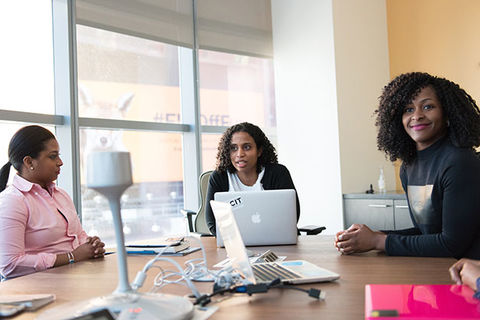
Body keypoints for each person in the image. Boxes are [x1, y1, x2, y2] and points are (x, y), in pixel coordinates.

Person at [334, 72, 480, 258]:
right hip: (439, 269)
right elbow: (427, 233)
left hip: (468, 277)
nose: (417, 116)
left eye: (428, 106)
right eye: (408, 109)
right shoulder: (409, 166)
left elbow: (451, 244)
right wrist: (372, 236)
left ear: (447, 113)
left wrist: (378, 241)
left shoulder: (460, 162)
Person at [0, 125, 105, 279]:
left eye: (58, 155)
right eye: (52, 156)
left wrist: (91, 245)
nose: (60, 162)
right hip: (39, 286)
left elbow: (78, 235)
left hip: (74, 278)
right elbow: (9, 264)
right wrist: (72, 256)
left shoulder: (61, 195)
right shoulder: (12, 201)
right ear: (29, 162)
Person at [205, 122, 300, 235]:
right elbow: (212, 222)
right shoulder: (219, 177)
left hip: (276, 240)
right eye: (234, 148)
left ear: (259, 151)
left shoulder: (278, 173)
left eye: (247, 147)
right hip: (235, 244)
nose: (239, 154)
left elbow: (292, 214)